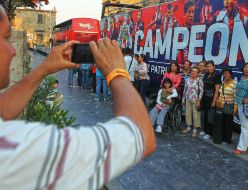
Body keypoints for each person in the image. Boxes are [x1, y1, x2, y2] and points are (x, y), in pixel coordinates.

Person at [0, 5, 156, 189]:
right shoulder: (16, 152)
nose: (13, 50)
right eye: (5, 38)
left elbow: (3, 110)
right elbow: (140, 136)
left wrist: (43, 69)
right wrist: (118, 73)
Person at [233, 63, 248, 154]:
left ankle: (241, 148)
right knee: (246, 126)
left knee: (244, 127)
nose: (247, 69)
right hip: (240, 104)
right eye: (245, 68)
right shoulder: (242, 78)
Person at [200, 60, 221, 140]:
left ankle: (210, 133)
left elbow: (217, 90)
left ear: (214, 66)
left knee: (211, 116)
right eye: (207, 66)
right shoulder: (206, 74)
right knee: (205, 114)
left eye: (210, 66)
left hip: (212, 98)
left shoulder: (217, 75)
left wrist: (214, 101)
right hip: (205, 97)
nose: (208, 68)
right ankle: (205, 130)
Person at [215, 68, 237, 144]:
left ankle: (228, 140)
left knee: (228, 124)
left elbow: (236, 97)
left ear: (231, 74)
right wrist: (218, 101)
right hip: (221, 106)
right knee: (222, 123)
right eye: (224, 73)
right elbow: (221, 93)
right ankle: (223, 138)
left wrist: (235, 108)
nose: (226, 75)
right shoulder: (223, 82)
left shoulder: (234, 83)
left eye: (227, 73)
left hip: (228, 106)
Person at [182, 66, 203, 138]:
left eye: (195, 72)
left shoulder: (199, 80)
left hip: (195, 100)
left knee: (196, 114)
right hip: (188, 99)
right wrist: (183, 99)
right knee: (188, 113)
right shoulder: (187, 79)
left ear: (198, 73)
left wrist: (199, 100)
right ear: (190, 72)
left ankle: (195, 130)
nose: (193, 73)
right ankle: (188, 127)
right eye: (192, 71)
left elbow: (201, 91)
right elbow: (185, 89)